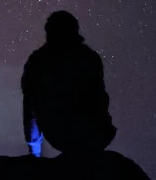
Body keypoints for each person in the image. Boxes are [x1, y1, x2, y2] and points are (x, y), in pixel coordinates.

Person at [21, 11, 117, 156]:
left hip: (62, 132)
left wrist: (34, 152)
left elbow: (30, 105)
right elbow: (100, 97)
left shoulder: (39, 61)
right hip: (96, 133)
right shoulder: (89, 57)